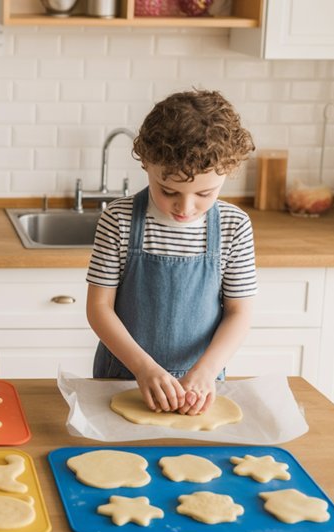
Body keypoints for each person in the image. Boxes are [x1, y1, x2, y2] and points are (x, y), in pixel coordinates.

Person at [86, 89, 257, 417]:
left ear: (228, 171)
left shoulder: (234, 226)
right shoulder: (118, 220)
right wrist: (143, 368)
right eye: (169, 191)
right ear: (146, 162)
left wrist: (206, 371)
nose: (186, 207)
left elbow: (240, 312)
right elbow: (99, 307)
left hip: (201, 385)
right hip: (124, 376)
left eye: (205, 193)